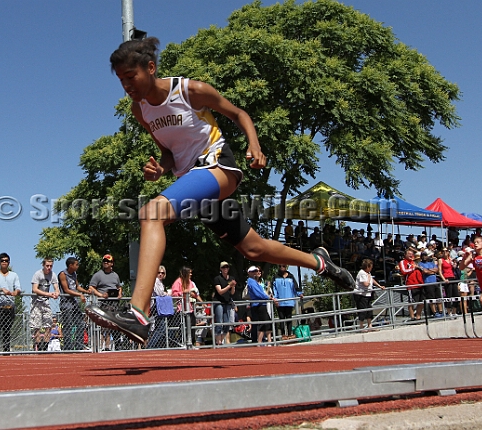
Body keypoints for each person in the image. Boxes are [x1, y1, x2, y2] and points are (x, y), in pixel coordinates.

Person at [85, 37, 355, 343]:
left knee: (152, 214)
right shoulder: (141, 110)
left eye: (130, 77)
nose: (126, 86)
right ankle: (319, 262)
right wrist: (160, 168)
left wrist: (254, 145)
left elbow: (239, 114)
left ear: (150, 68)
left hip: (218, 167)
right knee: (254, 248)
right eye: (121, 81)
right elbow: (169, 151)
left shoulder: (190, 91)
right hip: (195, 182)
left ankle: (137, 313)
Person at [88, 254, 122, 351]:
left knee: (115, 324)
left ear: (112, 263)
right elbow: (91, 287)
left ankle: (117, 345)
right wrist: (101, 295)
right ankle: (103, 346)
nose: (105, 263)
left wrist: (119, 294)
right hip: (104, 303)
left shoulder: (115, 275)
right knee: (105, 325)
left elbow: (119, 287)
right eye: (104, 261)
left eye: (108, 261)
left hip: (114, 303)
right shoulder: (98, 275)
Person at [0, 253, 21, 353]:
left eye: (6, 261)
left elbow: (18, 287)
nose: (4, 262)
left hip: (10, 306)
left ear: (9, 262)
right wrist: (2, 290)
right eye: (2, 261)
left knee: (7, 331)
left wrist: (16, 292)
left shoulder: (14, 275)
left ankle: (6, 352)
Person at [58, 257, 89, 351]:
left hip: (74, 303)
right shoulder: (63, 274)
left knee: (80, 323)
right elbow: (67, 290)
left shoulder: (74, 274)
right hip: (66, 303)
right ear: (70, 265)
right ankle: (68, 348)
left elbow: (77, 287)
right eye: (76, 264)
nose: (77, 266)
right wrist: (80, 295)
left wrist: (86, 291)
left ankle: (79, 346)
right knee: (67, 325)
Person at [30, 258, 59, 350]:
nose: (49, 268)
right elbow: (35, 289)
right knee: (37, 326)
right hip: (36, 302)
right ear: (43, 265)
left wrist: (56, 293)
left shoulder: (53, 275)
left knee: (48, 324)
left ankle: (45, 345)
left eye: (51, 266)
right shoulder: (37, 274)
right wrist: (48, 294)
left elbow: (56, 287)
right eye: (47, 266)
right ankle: (38, 346)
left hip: (46, 302)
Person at [246, 266, 276, 344]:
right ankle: (259, 343)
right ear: (249, 273)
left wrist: (267, 297)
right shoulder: (251, 281)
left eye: (255, 271)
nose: (255, 272)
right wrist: (267, 297)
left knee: (267, 322)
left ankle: (268, 341)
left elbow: (260, 292)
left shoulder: (254, 281)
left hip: (261, 304)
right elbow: (258, 293)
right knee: (262, 324)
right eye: (253, 271)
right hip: (258, 305)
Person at [354, 259, 385, 331]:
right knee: (362, 310)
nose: (371, 268)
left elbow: (372, 280)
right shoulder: (362, 273)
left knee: (369, 310)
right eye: (370, 267)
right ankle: (361, 327)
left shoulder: (368, 273)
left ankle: (370, 325)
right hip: (361, 295)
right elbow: (366, 284)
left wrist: (379, 286)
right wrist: (368, 277)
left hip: (367, 294)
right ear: (367, 267)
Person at [210, 262, 237, 345]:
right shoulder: (217, 279)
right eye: (223, 267)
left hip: (227, 302)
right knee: (219, 321)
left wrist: (232, 286)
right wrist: (229, 286)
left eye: (227, 267)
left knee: (227, 322)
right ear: (220, 269)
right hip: (219, 302)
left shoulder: (231, 278)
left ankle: (221, 340)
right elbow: (220, 291)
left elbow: (232, 293)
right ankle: (218, 341)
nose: (225, 269)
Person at [271, 264, 300, 340]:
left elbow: (295, 287)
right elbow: (273, 289)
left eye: (283, 266)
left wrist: (300, 294)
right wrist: (275, 299)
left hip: (289, 301)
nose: (281, 267)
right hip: (280, 302)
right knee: (282, 319)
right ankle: (283, 335)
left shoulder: (291, 276)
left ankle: (290, 334)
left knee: (289, 318)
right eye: (280, 266)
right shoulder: (275, 277)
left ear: (286, 267)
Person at [399, 249, 424, 321]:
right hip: (411, 284)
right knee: (411, 302)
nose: (411, 255)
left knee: (421, 301)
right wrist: (413, 268)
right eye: (409, 254)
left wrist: (419, 268)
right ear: (405, 255)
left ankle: (418, 316)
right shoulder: (403, 262)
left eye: (412, 254)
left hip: (419, 284)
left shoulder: (414, 262)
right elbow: (404, 271)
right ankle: (412, 317)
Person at [419, 249, 443, 318]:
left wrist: (429, 270)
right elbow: (424, 271)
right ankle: (435, 312)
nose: (424, 257)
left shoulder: (431, 263)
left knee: (438, 297)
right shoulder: (420, 264)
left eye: (425, 255)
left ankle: (441, 311)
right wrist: (432, 271)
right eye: (423, 256)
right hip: (428, 283)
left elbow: (437, 270)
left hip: (434, 281)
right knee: (431, 298)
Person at [438, 248, 459, 317]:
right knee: (449, 295)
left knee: (456, 295)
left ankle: (454, 311)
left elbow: (454, 268)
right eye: (443, 251)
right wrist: (444, 279)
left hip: (452, 277)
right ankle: (449, 312)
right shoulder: (441, 260)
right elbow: (440, 271)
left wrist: (453, 264)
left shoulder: (450, 260)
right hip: (447, 278)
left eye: (446, 251)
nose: (445, 253)